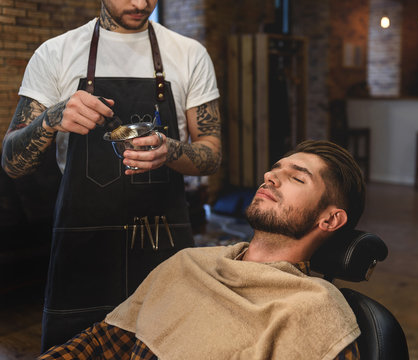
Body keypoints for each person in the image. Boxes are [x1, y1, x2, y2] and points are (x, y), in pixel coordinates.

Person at [1, 0, 221, 351]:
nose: (140, 3)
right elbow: (13, 163)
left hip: (160, 245)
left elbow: (211, 154)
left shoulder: (189, 54)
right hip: (83, 248)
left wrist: (172, 151)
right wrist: (51, 119)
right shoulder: (56, 53)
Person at [38, 140, 366, 360]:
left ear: (330, 218)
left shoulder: (313, 312)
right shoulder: (188, 263)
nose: (269, 177)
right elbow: (101, 343)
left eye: (296, 178)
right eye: (274, 170)